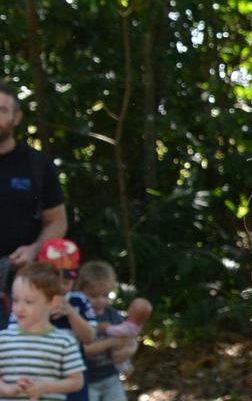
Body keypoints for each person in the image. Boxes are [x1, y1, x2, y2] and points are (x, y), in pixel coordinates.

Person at [0, 81, 68, 294]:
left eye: (2, 110)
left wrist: (34, 250)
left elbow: (58, 221)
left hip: (19, 285)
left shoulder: (37, 165)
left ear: (16, 117)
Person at [0, 262, 85, 400]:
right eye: (15, 300)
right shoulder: (3, 339)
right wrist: (8, 390)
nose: (19, 308)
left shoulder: (64, 342)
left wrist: (45, 387)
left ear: (53, 302)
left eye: (28, 301)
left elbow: (77, 381)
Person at [76, 261, 144, 401]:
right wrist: (111, 342)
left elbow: (127, 338)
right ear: (79, 291)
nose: (101, 301)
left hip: (111, 376)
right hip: (86, 379)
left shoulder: (111, 314)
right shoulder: (78, 317)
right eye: (94, 296)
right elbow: (84, 350)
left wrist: (128, 355)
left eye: (106, 296)